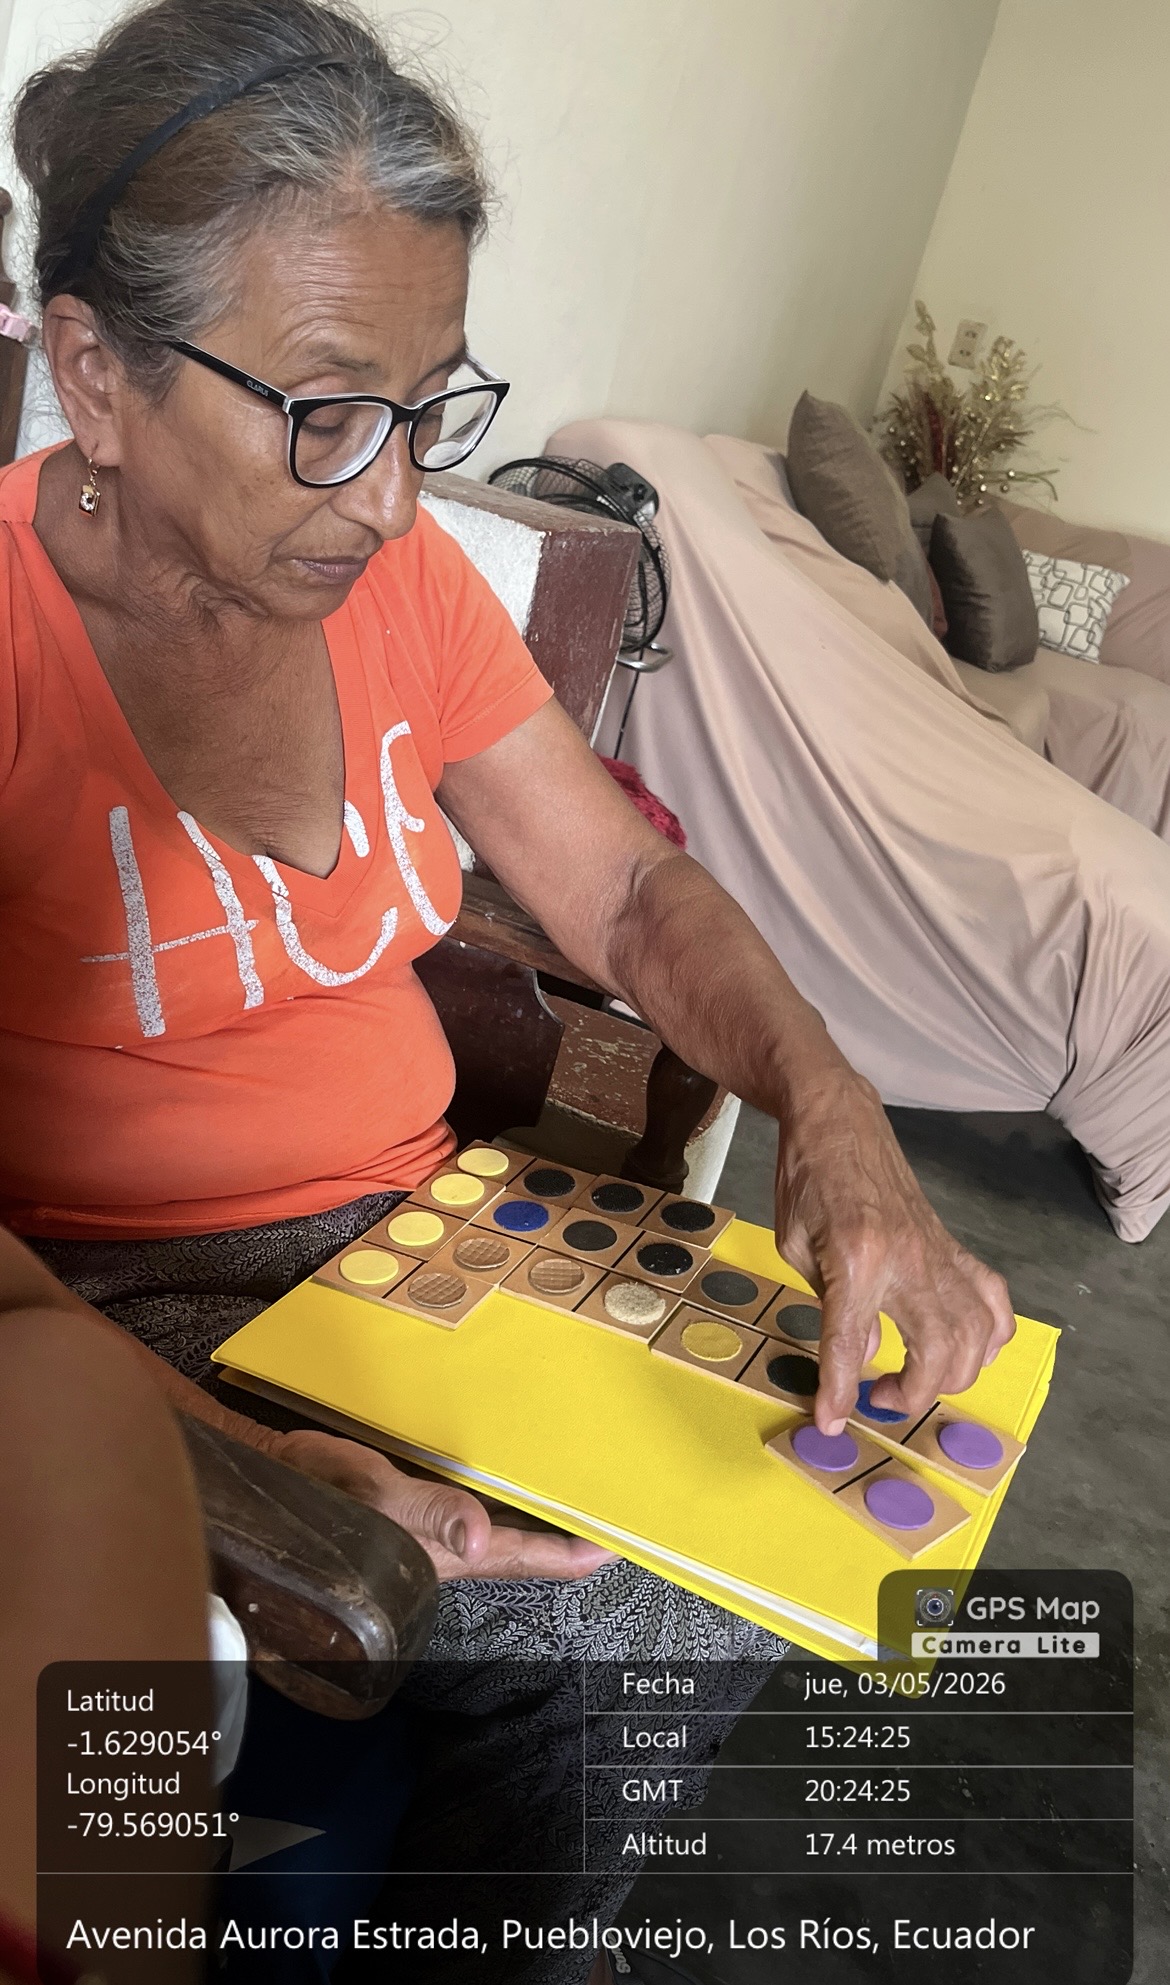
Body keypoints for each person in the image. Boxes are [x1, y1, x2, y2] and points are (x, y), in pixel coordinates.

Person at [0, 0, 1015, 1974]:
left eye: (429, 408)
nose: (393, 500)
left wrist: (836, 1112)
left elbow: (626, 892)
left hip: (424, 1245)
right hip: (123, 1301)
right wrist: (212, 1457)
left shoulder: (390, 584)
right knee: (638, 1631)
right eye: (324, 412)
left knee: (798, 1505)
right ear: (95, 374)